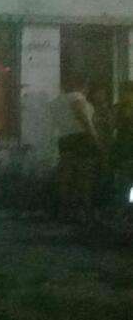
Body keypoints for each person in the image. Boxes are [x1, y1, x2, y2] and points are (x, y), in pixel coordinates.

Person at [51, 77, 104, 225]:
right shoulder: (76, 97)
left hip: (64, 139)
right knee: (85, 176)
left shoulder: (57, 101)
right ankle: (87, 213)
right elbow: (81, 116)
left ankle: (64, 211)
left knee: (66, 176)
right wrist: (94, 136)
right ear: (82, 86)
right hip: (81, 138)